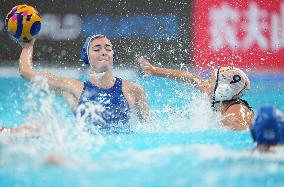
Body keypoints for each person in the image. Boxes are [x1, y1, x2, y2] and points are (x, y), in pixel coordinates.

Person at [1, 35, 150, 133]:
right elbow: (26, 72)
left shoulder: (133, 90)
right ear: (87, 57)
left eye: (108, 49)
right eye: (97, 49)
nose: (104, 52)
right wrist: (28, 45)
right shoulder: (73, 87)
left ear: (113, 56)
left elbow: (149, 129)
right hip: (88, 150)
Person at [139, 57, 253, 130]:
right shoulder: (222, 102)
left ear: (223, 91)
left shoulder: (235, 117)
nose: (205, 84)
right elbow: (192, 78)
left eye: (210, 81)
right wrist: (155, 70)